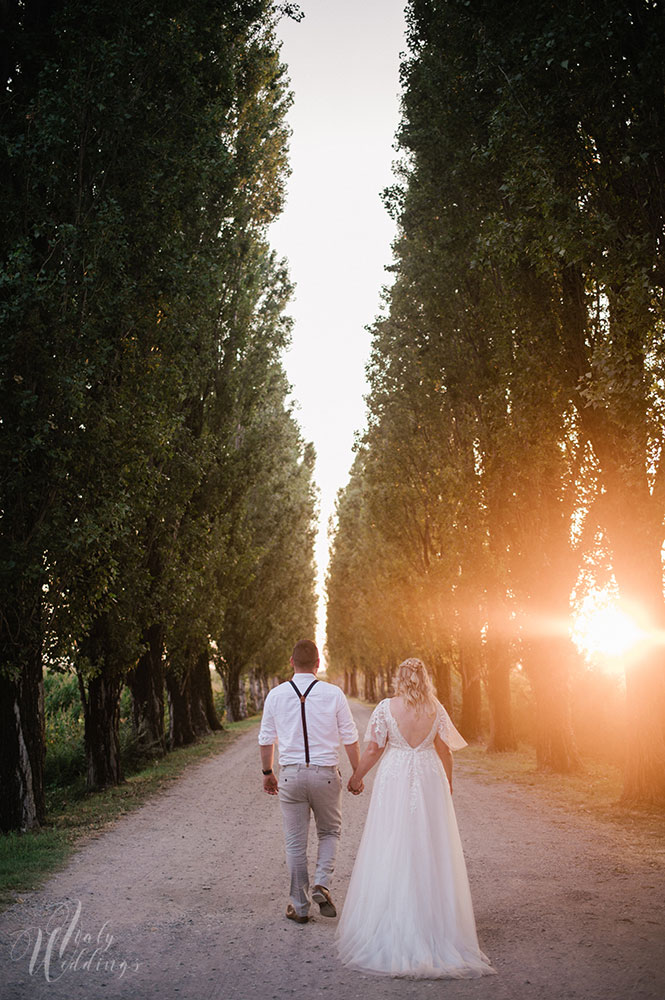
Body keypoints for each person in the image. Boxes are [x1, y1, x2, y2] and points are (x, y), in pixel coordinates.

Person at [336, 657, 496, 979]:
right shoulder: (435, 708)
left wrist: (357, 777)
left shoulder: (385, 708)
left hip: (395, 775)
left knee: (392, 841)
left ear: (400, 677)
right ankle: (433, 922)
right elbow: (445, 751)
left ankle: (392, 918)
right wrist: (447, 782)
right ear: (425, 679)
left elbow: (374, 749)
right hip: (428, 776)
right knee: (430, 844)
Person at [258, 639, 361, 924]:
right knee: (329, 833)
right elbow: (350, 738)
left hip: (290, 775)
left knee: (295, 843)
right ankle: (321, 883)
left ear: (291, 662)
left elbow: (266, 739)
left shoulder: (276, 695)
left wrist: (268, 773)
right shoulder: (333, 694)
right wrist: (356, 773)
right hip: (326, 774)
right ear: (318, 664)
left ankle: (299, 907)